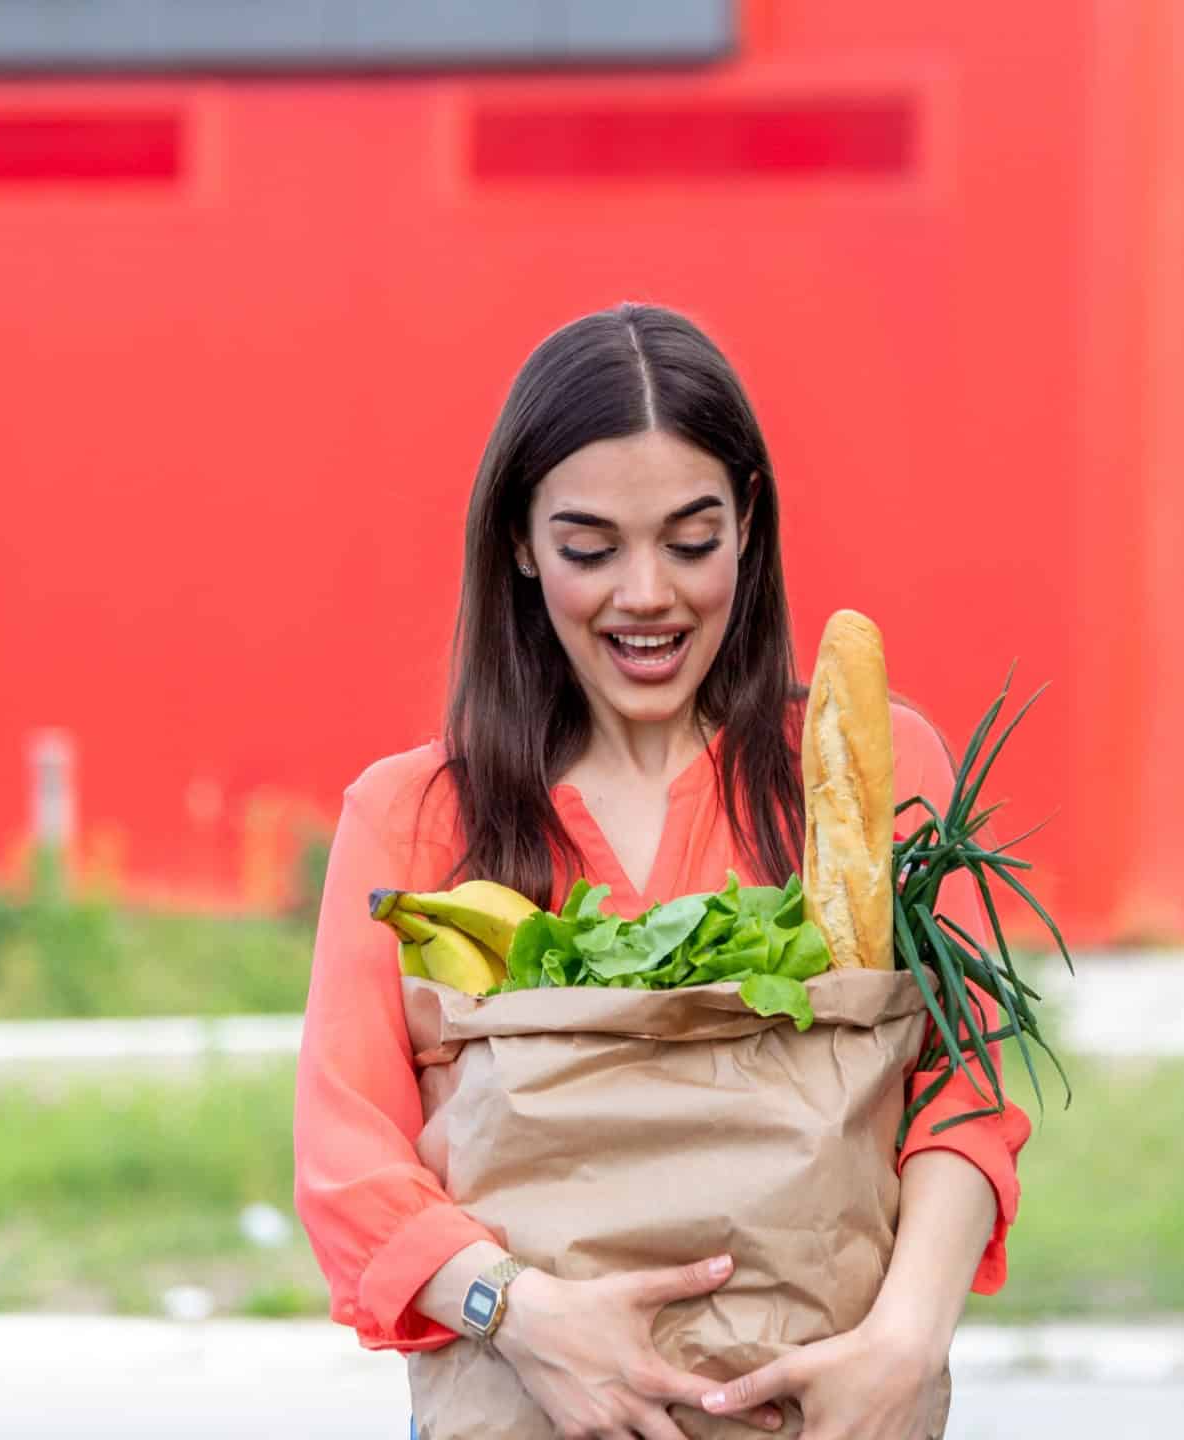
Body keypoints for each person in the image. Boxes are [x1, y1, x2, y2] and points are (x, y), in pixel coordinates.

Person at [292, 302, 1032, 1440]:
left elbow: (959, 1092)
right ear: (522, 549)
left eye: (690, 541)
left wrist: (902, 1343)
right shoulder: (412, 818)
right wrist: (522, 1314)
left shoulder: (867, 771)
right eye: (592, 548)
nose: (648, 594)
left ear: (746, 523)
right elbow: (347, 1158)